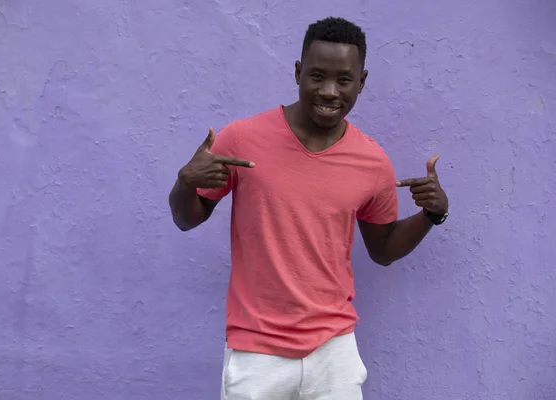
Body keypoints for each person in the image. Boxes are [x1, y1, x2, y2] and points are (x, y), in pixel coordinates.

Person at [168, 16, 449, 400]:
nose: (330, 91)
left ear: (362, 82)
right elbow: (187, 219)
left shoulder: (372, 161)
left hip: (334, 350)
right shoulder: (242, 138)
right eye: (317, 76)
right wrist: (185, 181)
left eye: (344, 80)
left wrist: (431, 215)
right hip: (256, 350)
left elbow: (382, 250)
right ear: (298, 73)